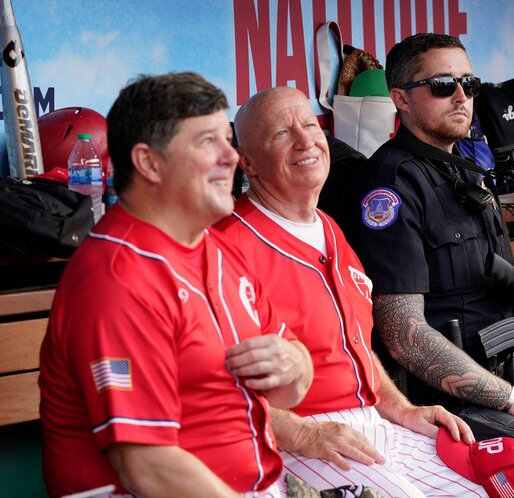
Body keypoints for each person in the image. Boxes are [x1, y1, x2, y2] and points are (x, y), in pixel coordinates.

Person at [341, 33, 514, 498]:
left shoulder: (465, 171)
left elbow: (490, 277)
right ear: (400, 98)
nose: (462, 95)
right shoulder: (391, 184)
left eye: (470, 82)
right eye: (443, 84)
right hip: (453, 406)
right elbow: (402, 334)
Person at [38, 72, 313, 498]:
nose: (232, 157)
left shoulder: (218, 251)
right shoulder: (115, 277)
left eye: (228, 139)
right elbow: (146, 467)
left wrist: (295, 366)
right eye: (208, 142)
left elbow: (293, 382)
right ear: (149, 163)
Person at [214, 86, 488, 497]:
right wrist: (304, 435)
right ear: (248, 163)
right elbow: (212, 393)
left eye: (310, 125)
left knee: (498, 485)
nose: (306, 141)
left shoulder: (328, 227)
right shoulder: (226, 249)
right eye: (282, 134)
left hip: (374, 424)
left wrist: (403, 409)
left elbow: (352, 345)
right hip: (300, 439)